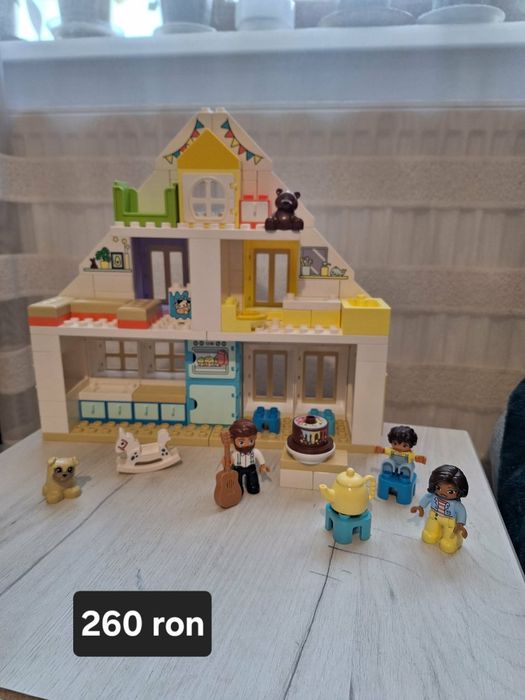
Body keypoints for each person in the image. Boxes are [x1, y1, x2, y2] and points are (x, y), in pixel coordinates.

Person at [411, 464, 469, 554]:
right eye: (438, 488)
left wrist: (460, 524)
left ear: (459, 492)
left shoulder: (456, 505)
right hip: (434, 517)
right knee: (429, 533)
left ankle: (452, 541)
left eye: (450, 491)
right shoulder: (433, 496)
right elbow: (426, 498)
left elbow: (461, 512)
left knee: (449, 539)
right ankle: (433, 533)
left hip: (449, 521)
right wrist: (420, 507)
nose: (443, 493)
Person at [228, 419, 269, 495]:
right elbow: (229, 461)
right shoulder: (234, 453)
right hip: (238, 468)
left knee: (253, 484)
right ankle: (239, 488)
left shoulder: (255, 451)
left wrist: (263, 465)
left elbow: (260, 458)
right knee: (237, 481)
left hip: (251, 467)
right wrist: (228, 462)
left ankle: (252, 486)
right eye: (241, 442)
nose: (247, 445)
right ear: (233, 440)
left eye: (251, 441)